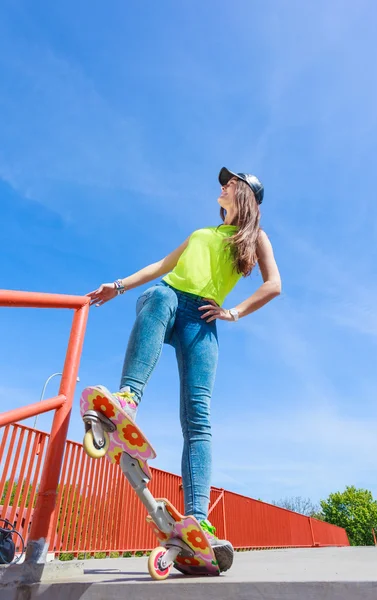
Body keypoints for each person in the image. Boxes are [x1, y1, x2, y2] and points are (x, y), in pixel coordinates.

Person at [87, 167, 281, 572]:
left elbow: (273, 283)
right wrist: (119, 285)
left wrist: (234, 312)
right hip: (172, 298)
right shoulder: (201, 233)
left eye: (230, 182)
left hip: (204, 319)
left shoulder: (254, 237)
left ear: (245, 193)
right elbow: (161, 265)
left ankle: (199, 520)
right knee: (156, 293)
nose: (222, 186)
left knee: (198, 418)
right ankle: (128, 400)